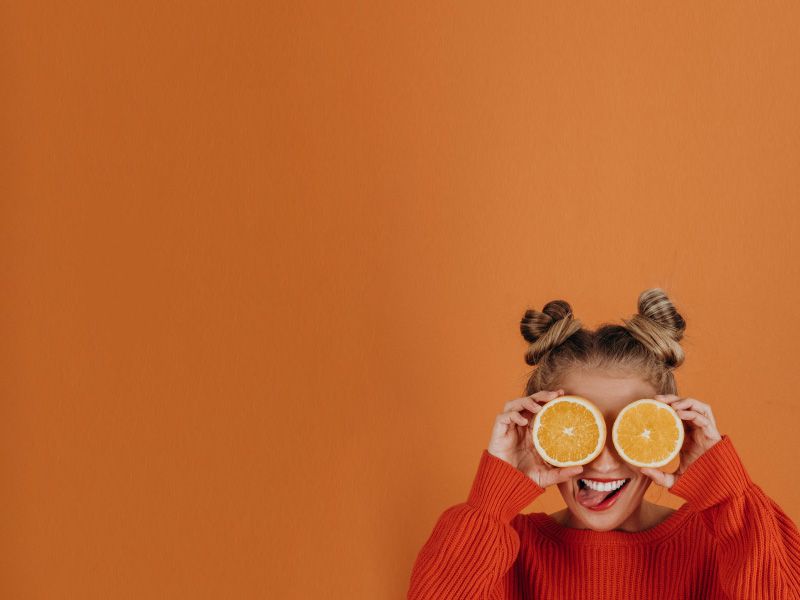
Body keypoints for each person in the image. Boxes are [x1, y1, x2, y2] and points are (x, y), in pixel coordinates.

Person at [407, 288, 800, 599]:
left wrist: (727, 493)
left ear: (669, 431)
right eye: (580, 429)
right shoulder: (504, 554)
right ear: (539, 431)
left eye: (630, 429)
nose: (605, 462)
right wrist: (491, 502)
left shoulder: (722, 547)